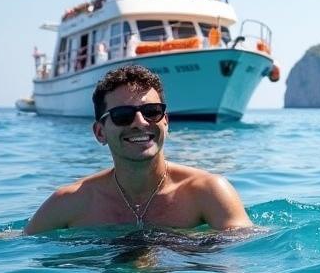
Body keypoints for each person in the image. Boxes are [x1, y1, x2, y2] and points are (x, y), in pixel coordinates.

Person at [24, 65, 253, 234]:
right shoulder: (71, 202)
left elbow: (238, 265)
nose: (141, 122)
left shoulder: (208, 192)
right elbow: (18, 248)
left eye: (152, 111)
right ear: (100, 132)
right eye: (122, 115)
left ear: (166, 122)